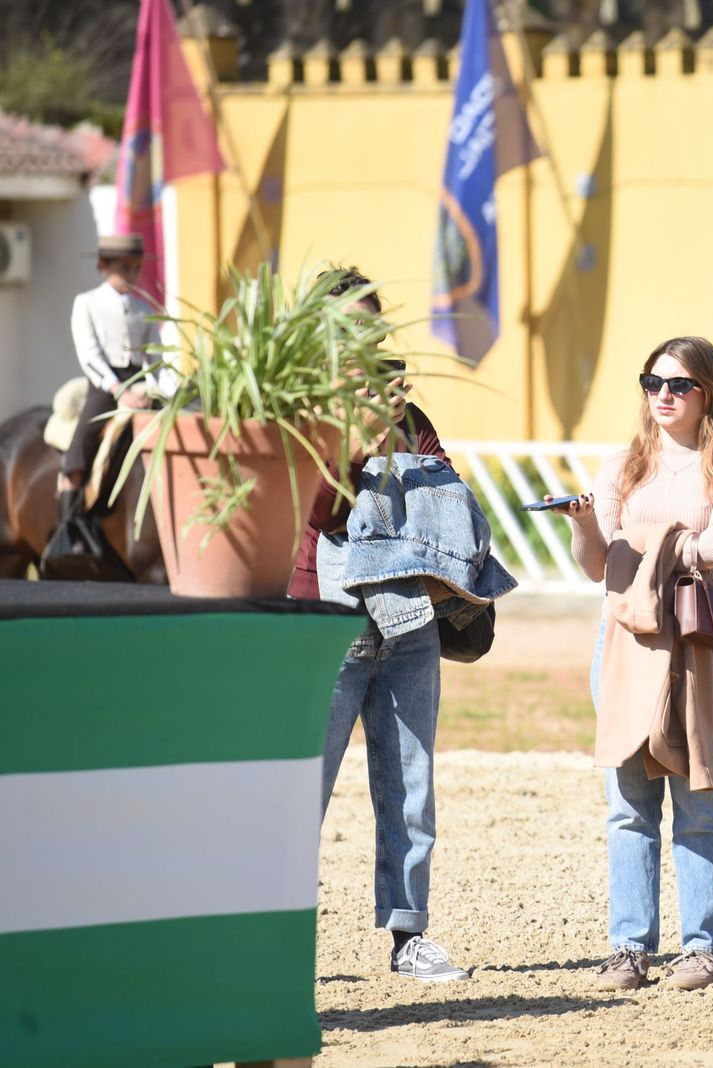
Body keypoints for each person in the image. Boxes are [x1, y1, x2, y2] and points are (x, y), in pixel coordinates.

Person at [551, 335, 713, 992]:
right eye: (651, 382)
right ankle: (629, 949)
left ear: (708, 395)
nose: (661, 396)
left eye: (677, 385)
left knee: (699, 796)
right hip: (623, 644)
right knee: (627, 803)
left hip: (697, 644)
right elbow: (598, 565)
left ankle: (704, 947)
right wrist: (586, 524)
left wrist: (632, 543)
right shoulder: (620, 466)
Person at [289, 268, 470, 983]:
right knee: (305, 784)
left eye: (373, 321)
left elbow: (443, 484)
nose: (367, 335)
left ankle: (409, 935)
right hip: (325, 618)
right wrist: (360, 443)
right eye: (350, 323)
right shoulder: (297, 407)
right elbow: (315, 505)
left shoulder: (408, 410)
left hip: (408, 616)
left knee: (411, 785)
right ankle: (278, 934)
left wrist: (396, 438)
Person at [58, 233, 161, 516]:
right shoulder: (87, 303)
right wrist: (118, 389)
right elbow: (89, 353)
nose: (133, 274)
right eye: (125, 268)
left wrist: (156, 386)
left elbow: (155, 356)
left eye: (137, 268)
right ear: (103, 265)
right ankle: (68, 525)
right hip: (106, 384)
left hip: (140, 382)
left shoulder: (144, 309)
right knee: (83, 440)